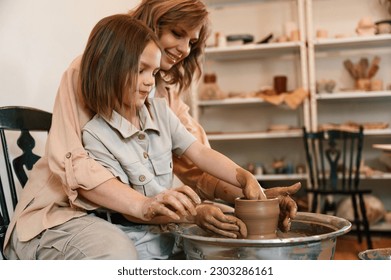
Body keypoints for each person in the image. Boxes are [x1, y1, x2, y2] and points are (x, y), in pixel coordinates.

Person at [3, 0, 299, 260]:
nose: (184, 50)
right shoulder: (92, 74)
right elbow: (80, 171)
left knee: (215, 250)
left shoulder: (160, 98)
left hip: (131, 218)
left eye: (192, 43)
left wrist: (253, 194)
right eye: (177, 33)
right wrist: (155, 207)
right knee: (121, 253)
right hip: (63, 214)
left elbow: (197, 162)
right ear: (150, 25)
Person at [79, 14, 269, 259]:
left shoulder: (159, 111)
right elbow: (131, 209)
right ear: (107, 69)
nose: (149, 82)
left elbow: (199, 152)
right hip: (137, 239)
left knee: (237, 235)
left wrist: (243, 176)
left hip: (174, 232)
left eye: (154, 71)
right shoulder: (96, 136)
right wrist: (193, 214)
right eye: (141, 70)